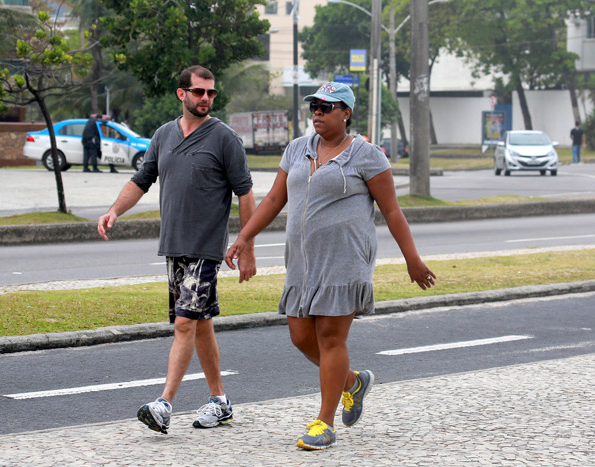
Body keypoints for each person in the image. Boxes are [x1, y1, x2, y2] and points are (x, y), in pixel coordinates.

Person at [226, 82, 436, 450]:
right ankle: (353, 382)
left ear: (346, 112)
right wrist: (244, 238)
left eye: (327, 106)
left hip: (346, 259)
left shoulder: (366, 155)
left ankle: (324, 423)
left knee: (330, 337)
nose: (318, 113)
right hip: (302, 263)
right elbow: (275, 198)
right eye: (314, 107)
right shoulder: (296, 149)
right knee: (300, 337)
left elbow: (392, 210)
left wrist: (412, 260)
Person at [97, 65, 256, 434]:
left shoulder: (224, 138)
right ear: (181, 93)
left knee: (185, 322)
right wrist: (114, 211)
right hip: (174, 245)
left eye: (211, 93)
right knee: (199, 324)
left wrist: (246, 245)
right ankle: (220, 402)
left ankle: (164, 404)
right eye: (199, 92)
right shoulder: (163, 135)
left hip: (206, 248)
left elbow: (245, 193)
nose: (206, 99)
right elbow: (142, 180)